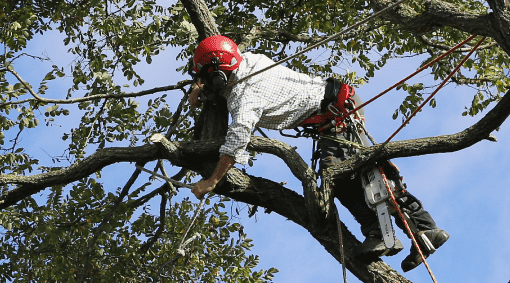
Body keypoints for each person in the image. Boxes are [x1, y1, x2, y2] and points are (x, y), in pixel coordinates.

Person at [184, 35, 449, 270]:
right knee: (348, 181)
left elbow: (237, 140)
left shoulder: (245, 97)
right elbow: (223, 71)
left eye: (208, 77)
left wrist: (213, 181)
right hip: (331, 113)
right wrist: (203, 85)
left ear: (219, 74)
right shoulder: (248, 62)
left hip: (337, 111)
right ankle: (382, 233)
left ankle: (421, 230)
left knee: (355, 178)